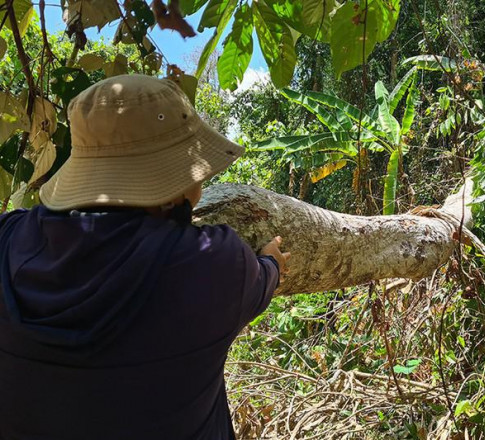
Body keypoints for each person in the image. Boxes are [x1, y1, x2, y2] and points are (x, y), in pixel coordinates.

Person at [0, 75, 290, 440]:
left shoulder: (6, 240)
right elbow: (264, 279)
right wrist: (272, 261)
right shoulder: (213, 263)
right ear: (174, 190)